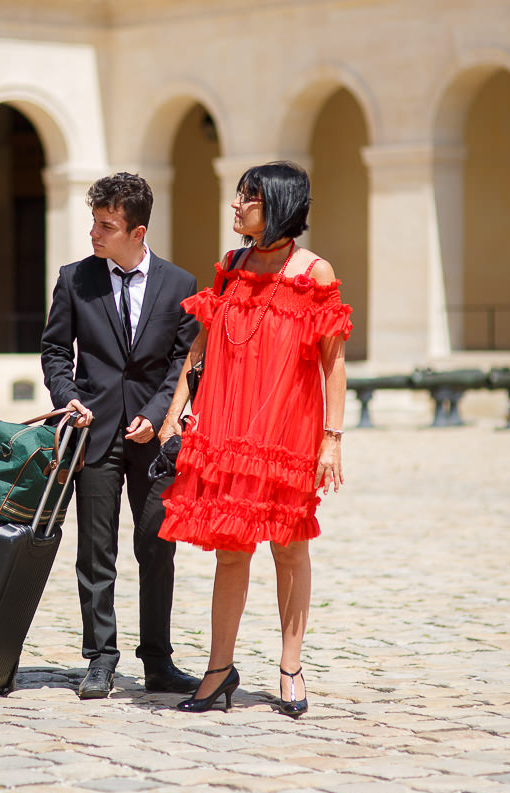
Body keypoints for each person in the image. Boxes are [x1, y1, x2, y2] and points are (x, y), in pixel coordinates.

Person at [157, 162, 352, 716]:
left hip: (289, 431)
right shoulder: (232, 267)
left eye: (249, 198)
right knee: (231, 552)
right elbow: (199, 346)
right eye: (240, 196)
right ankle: (219, 672)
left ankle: (290, 666)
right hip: (231, 427)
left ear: (280, 206)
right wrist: (175, 413)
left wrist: (331, 439)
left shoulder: (313, 272)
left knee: (290, 549)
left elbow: (333, 363)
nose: (237, 206)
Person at [41, 172, 201, 699]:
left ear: (138, 231)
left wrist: (159, 414)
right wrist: (68, 399)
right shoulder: (74, 279)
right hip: (93, 430)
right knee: (95, 550)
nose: (94, 232)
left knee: (157, 547)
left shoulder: (180, 285)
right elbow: (56, 352)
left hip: (155, 439)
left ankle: (158, 660)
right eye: (94, 222)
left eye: (106, 225)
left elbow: (183, 361)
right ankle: (100, 658)